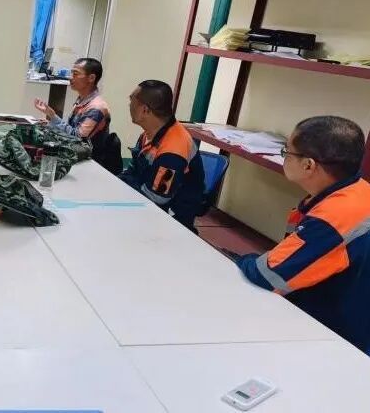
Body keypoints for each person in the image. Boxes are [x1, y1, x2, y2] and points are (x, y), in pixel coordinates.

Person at [236, 116, 370, 353]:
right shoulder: (358, 190)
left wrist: (241, 260)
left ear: (308, 165)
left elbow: (268, 275)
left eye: (286, 151)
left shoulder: (333, 218)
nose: (284, 156)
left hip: (338, 337)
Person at [120, 80, 205, 232]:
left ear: (145, 110)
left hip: (169, 219)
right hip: (144, 200)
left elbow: (156, 198)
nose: (129, 105)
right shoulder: (150, 133)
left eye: (131, 100)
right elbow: (132, 171)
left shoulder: (173, 150)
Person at [34, 57, 110, 146]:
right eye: (72, 73)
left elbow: (78, 138)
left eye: (75, 74)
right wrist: (51, 122)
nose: (70, 78)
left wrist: (53, 117)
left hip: (87, 153)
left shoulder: (96, 108)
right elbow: (72, 129)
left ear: (91, 78)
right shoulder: (82, 100)